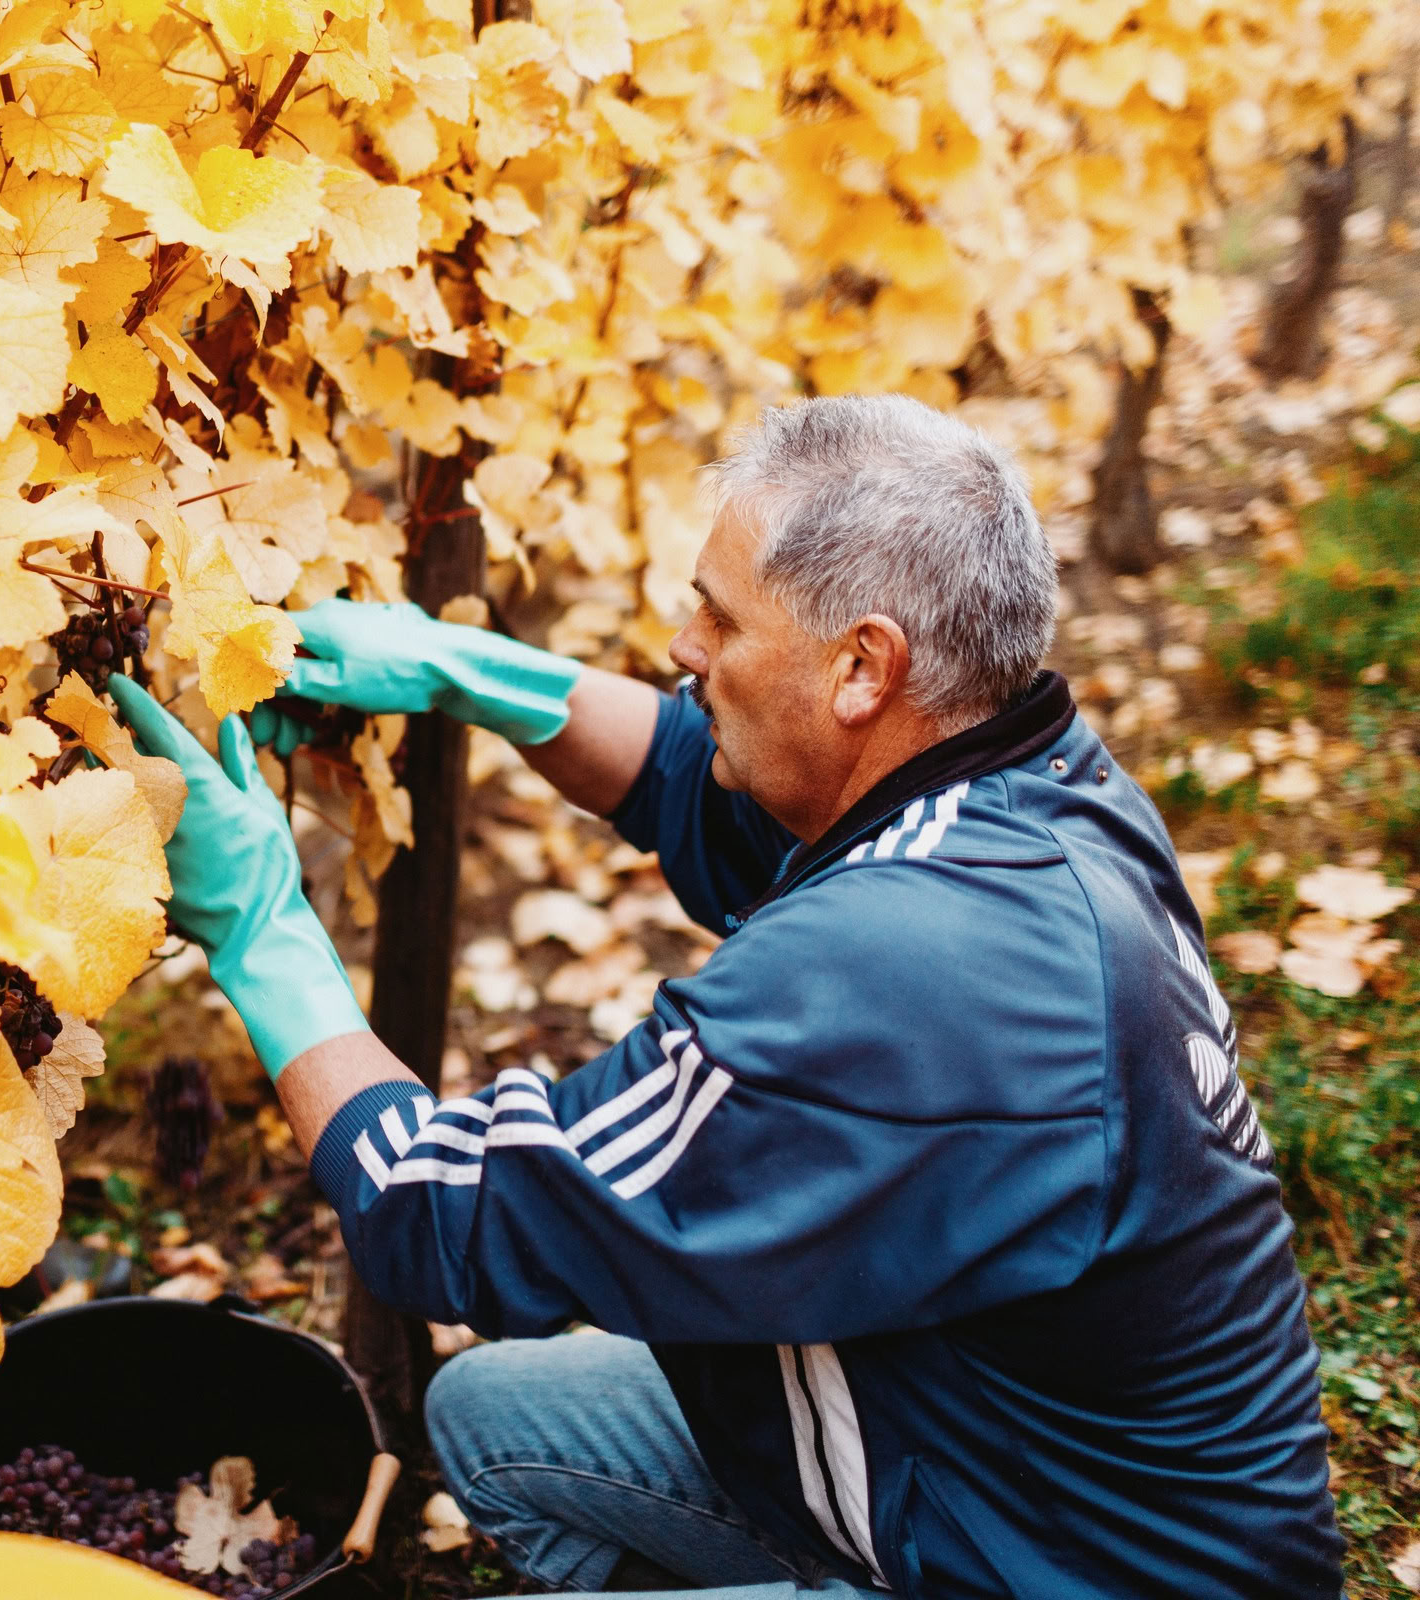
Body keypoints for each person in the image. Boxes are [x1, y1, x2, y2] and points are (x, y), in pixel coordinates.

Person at [107, 394, 1340, 1599]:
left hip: (1051, 1565)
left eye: (720, 617)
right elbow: (694, 781)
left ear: (864, 665)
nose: (684, 648)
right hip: (977, 1459)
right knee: (494, 1413)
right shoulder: (1029, 794)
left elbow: (448, 1212)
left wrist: (263, 930)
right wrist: (473, 671)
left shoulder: (898, 979)